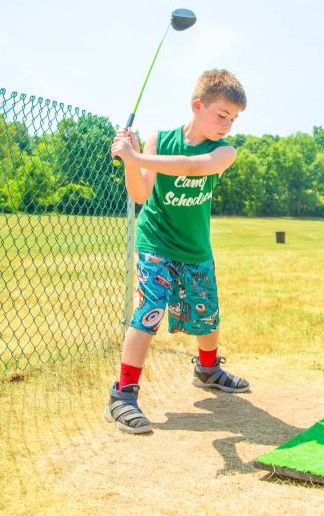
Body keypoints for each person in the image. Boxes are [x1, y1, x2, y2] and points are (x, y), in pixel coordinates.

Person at [105, 69, 249, 434]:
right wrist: (130, 160)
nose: (227, 125)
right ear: (198, 106)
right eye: (222, 115)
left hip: (195, 247)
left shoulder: (222, 151)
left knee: (207, 315)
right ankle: (123, 395)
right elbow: (140, 194)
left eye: (233, 119)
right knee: (150, 308)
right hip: (155, 242)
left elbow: (191, 167)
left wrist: (135, 157)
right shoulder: (159, 141)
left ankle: (208, 370)